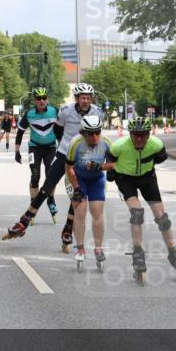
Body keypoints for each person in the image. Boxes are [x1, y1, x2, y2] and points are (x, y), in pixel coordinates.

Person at [3, 82, 102, 251]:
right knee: (47, 186)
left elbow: (97, 134)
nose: (85, 101)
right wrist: (67, 144)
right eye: (81, 97)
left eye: (88, 97)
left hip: (82, 158)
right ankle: (24, 222)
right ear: (77, 98)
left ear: (91, 99)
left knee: (78, 192)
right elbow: (57, 130)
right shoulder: (65, 111)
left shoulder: (97, 112)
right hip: (64, 153)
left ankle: (68, 229)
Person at [106, 116, 176, 285]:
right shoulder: (118, 146)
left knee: (163, 219)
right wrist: (111, 173)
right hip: (125, 179)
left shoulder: (156, 145)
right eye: (135, 135)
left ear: (149, 134)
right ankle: (138, 253)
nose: (139, 139)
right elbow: (109, 161)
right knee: (137, 213)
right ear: (130, 134)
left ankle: (174, 254)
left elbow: (161, 157)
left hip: (147, 178)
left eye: (143, 135)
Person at [65, 114, 111, 271]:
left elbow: (114, 163)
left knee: (97, 212)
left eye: (97, 131)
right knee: (80, 211)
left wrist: (100, 167)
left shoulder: (106, 143)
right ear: (83, 133)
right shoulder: (75, 143)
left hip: (96, 179)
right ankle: (80, 248)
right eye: (90, 133)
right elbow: (69, 168)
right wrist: (77, 187)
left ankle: (98, 248)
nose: (95, 136)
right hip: (77, 179)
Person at [14, 87, 60, 223]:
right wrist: (16, 152)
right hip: (35, 148)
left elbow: (62, 128)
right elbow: (20, 133)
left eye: (44, 98)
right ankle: (33, 203)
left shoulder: (54, 111)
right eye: (38, 98)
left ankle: (51, 200)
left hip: (51, 147)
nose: (41, 101)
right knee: (35, 176)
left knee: (50, 175)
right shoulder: (29, 114)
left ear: (47, 99)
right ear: (34, 100)